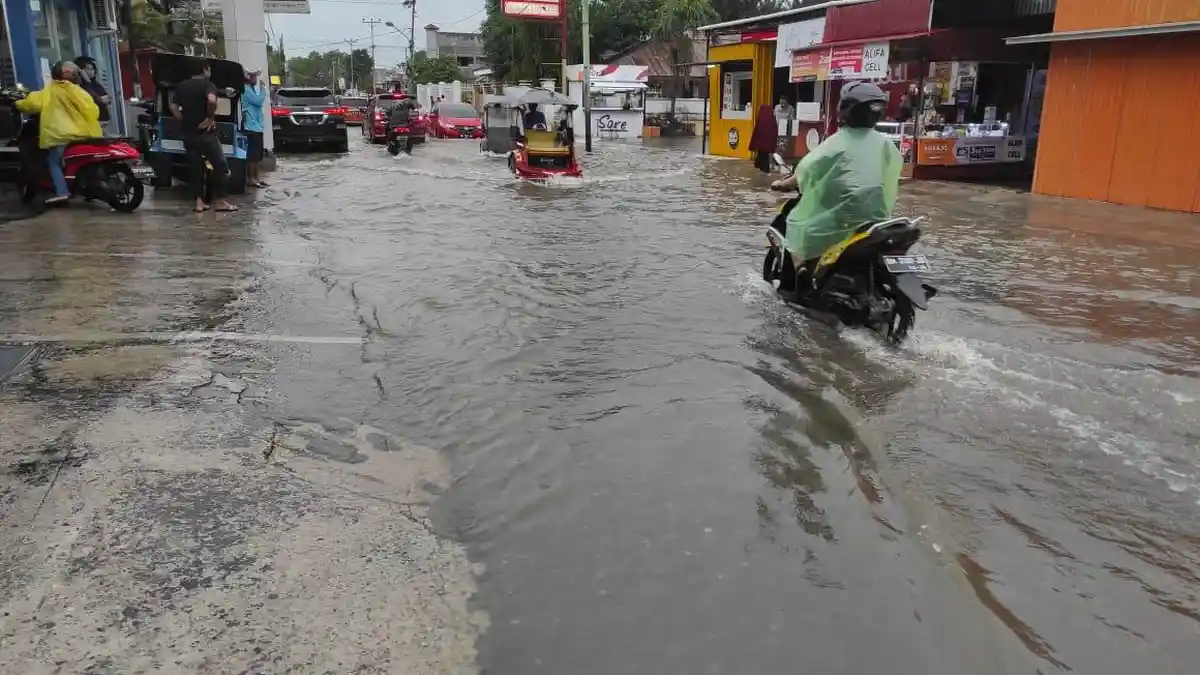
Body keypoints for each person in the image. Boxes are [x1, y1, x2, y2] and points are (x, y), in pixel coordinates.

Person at [770, 82, 901, 292]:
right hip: (876, 219)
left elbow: (806, 170)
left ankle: (803, 275)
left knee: (796, 224)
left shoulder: (837, 142)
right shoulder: (885, 144)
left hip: (844, 218)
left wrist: (782, 184)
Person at [14, 61, 101, 205]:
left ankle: (62, 192)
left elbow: (32, 104)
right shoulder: (78, 91)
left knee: (53, 162)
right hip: (82, 134)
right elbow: (92, 110)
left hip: (60, 135)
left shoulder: (50, 90)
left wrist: (17, 104)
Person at [171, 59, 237, 213]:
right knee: (221, 167)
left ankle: (199, 203)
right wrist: (209, 118)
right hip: (205, 135)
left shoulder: (182, 86)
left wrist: (182, 118)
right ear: (205, 70)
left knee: (195, 170)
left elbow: (173, 106)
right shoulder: (208, 85)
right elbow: (212, 100)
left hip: (188, 134)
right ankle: (221, 201)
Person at [241, 68, 268, 188]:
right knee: (252, 155)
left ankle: (256, 178)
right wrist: (262, 89)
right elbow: (258, 100)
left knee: (257, 155)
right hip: (251, 126)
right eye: (253, 76)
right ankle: (251, 178)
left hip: (256, 126)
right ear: (248, 78)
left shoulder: (250, 89)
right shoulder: (245, 89)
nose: (256, 79)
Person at [73, 56, 111, 126]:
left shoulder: (94, 83)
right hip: (89, 121)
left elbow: (107, 98)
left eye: (92, 69)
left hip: (102, 119)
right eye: (88, 68)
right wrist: (100, 99)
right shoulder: (78, 85)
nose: (91, 71)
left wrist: (102, 99)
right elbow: (89, 99)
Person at [748, 104, 778, 174]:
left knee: (763, 157)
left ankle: (763, 172)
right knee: (764, 157)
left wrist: (755, 143)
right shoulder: (772, 118)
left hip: (761, 144)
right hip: (768, 144)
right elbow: (775, 130)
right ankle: (763, 172)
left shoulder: (761, 118)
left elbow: (757, 131)